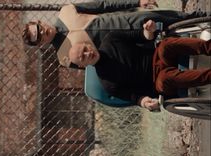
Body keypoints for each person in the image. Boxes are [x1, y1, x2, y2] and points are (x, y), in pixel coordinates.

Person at [69, 20, 211, 110]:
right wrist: (145, 103)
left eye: (85, 50)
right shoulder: (108, 83)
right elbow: (134, 98)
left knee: (165, 45)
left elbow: (141, 36)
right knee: (165, 77)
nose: (88, 54)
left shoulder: (111, 39)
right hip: (157, 82)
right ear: (83, 65)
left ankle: (208, 47)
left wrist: (148, 30)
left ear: (88, 44)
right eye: (83, 57)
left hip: (158, 57)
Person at [22, 1, 210, 67]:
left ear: (39, 22)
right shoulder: (64, 56)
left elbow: (104, 5)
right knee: (175, 52)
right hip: (130, 47)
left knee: (179, 18)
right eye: (38, 37)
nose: (43, 32)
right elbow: (98, 63)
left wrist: (137, 1)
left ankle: (207, 18)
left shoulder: (66, 11)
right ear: (40, 44)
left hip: (128, 22)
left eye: (38, 28)